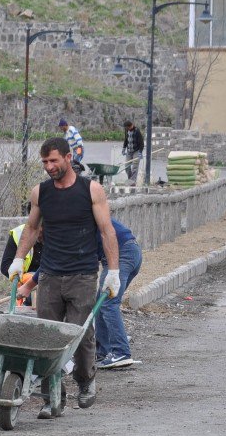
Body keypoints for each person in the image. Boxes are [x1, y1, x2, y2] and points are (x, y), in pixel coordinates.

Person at [8, 137, 120, 415]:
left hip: (82, 273)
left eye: (54, 160)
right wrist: (19, 258)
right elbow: (32, 228)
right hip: (50, 274)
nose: (49, 166)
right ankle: (52, 398)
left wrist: (113, 271)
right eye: (45, 162)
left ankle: (85, 380)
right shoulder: (41, 193)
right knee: (47, 336)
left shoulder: (91, 190)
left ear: (68, 158)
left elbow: (107, 231)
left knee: (80, 334)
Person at [95, 218, 142, 369]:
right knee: (100, 302)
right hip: (130, 251)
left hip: (121, 254)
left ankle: (121, 352)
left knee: (108, 303)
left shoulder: (78, 218)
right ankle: (104, 351)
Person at [0, 223, 42, 306]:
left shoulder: (55, 233)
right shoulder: (18, 234)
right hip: (27, 287)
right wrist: (26, 279)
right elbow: (5, 266)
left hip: (48, 281)